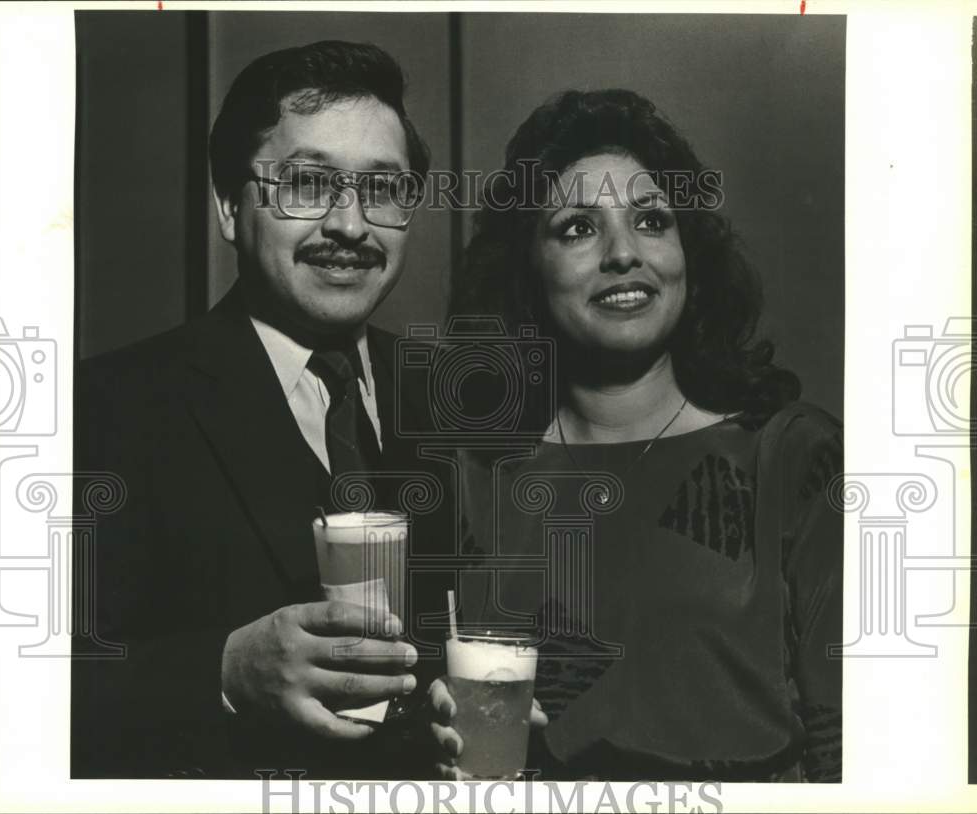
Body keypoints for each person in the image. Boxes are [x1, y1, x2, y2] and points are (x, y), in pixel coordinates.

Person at [429, 89, 842, 782]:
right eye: (577, 229)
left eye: (651, 220)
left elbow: (857, 739)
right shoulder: (472, 475)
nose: (624, 254)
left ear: (689, 253)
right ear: (529, 269)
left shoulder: (790, 455)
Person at [72, 40, 450, 779]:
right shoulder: (110, 405)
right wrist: (225, 671)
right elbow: (28, 689)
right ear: (227, 207)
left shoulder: (448, 398)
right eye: (308, 183)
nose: (350, 225)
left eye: (382, 188)